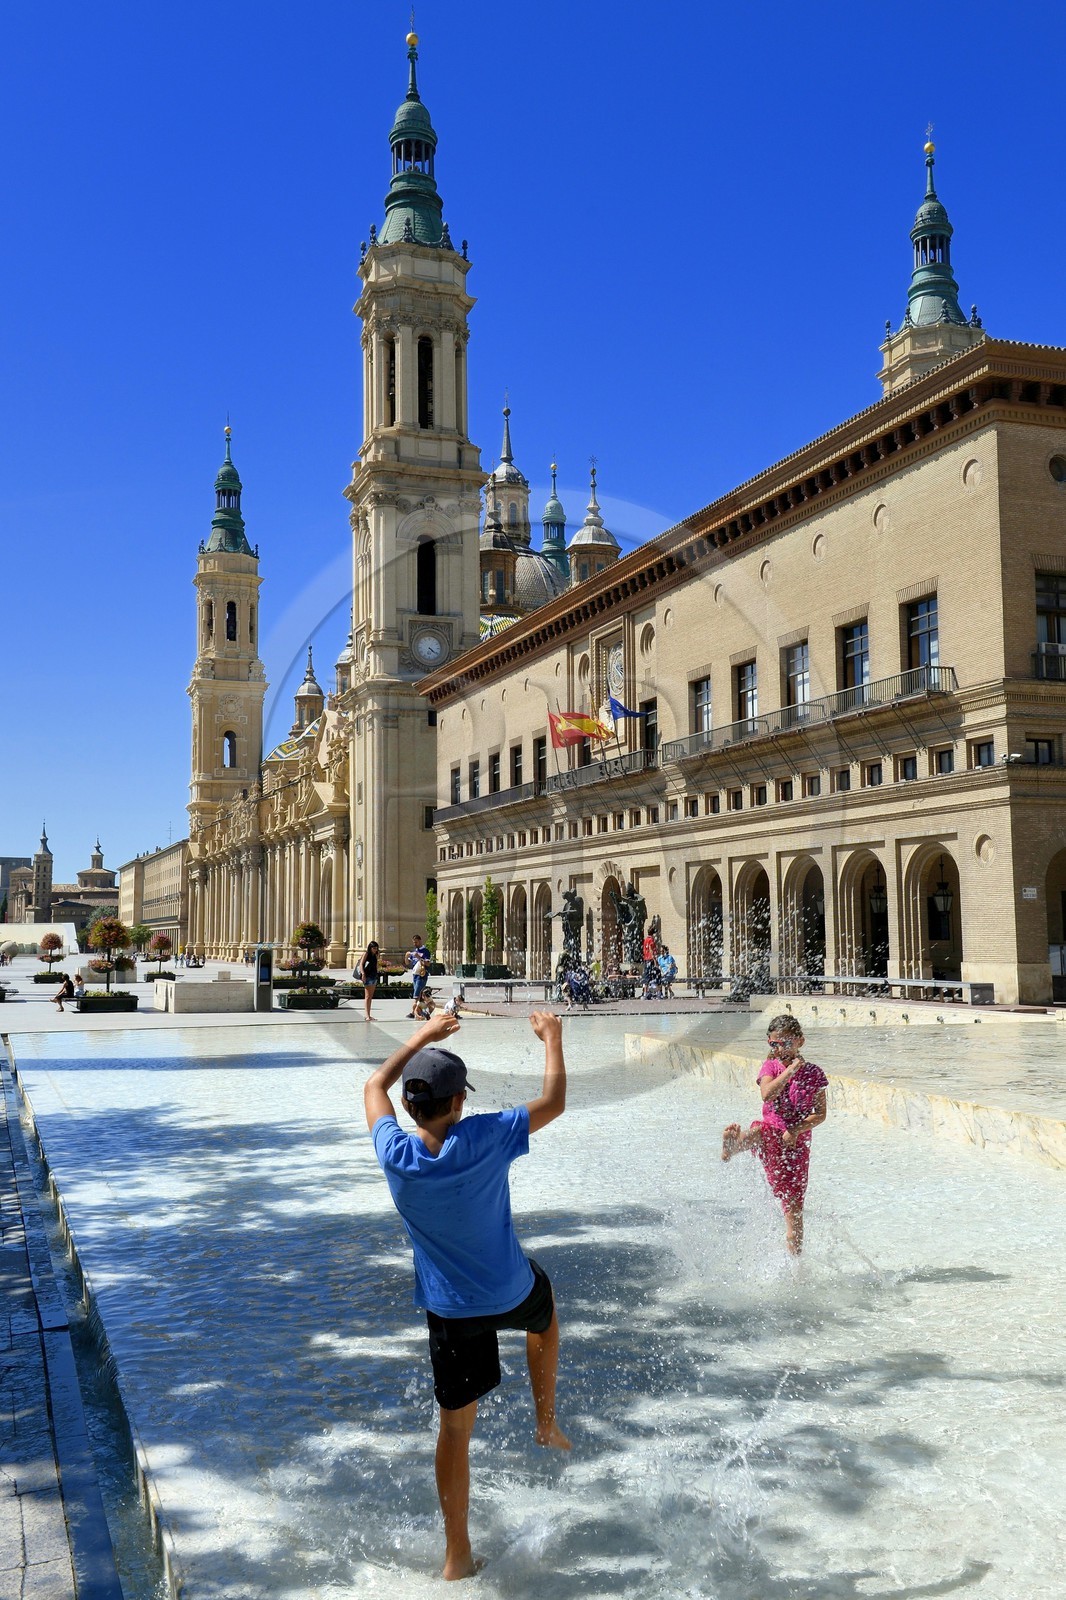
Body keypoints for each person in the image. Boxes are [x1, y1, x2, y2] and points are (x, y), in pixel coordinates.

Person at [364, 1009, 570, 1580]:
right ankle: (545, 1421)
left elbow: (373, 1084)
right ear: (458, 1104)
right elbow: (553, 1101)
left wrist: (422, 1035)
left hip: (451, 1310)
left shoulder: (394, 1154)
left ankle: (456, 1554)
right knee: (544, 1318)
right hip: (511, 1289)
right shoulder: (483, 1138)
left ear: (410, 1107)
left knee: (455, 1430)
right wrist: (551, 1038)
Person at [721, 1013, 828, 1255]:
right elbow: (766, 1094)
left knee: (793, 1208)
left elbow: (820, 1114)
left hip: (796, 1145)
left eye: (786, 1043)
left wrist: (796, 1130)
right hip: (770, 1134)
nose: (781, 1049)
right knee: (760, 1130)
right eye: (774, 1044)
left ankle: (795, 1264)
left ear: (801, 1041)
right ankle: (734, 1146)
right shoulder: (770, 1066)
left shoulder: (814, 1074)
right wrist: (789, 1072)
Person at [405, 933, 432, 1018]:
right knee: (419, 995)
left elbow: (428, 964)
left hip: (422, 975)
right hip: (415, 975)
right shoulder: (414, 951)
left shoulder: (425, 951)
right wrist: (406, 956)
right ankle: (422, 1011)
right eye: (413, 942)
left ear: (420, 941)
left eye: (416, 942)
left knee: (416, 995)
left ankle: (413, 1013)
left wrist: (420, 958)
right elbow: (407, 963)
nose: (415, 944)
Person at [357, 940, 380, 1021]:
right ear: (370, 948)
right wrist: (363, 974)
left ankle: (369, 1015)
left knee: (370, 996)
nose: (375, 949)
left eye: (376, 948)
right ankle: (367, 1015)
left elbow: (376, 965)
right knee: (367, 996)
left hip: (373, 976)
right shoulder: (366, 954)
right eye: (374, 948)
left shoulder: (376, 955)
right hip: (367, 976)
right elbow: (361, 964)